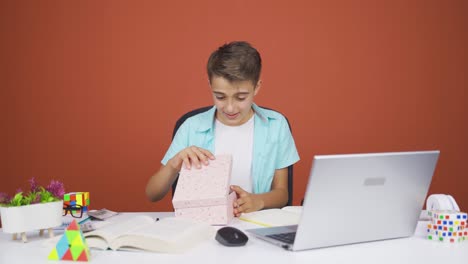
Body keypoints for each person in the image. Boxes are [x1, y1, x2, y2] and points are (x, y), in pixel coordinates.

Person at [145, 41, 299, 216]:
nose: (230, 108)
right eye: (220, 97)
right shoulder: (191, 127)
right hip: (202, 227)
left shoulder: (276, 125)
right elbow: (152, 194)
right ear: (210, 86)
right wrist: (174, 164)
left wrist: (258, 201)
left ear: (257, 87)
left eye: (241, 97)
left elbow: (282, 194)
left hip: (255, 223)